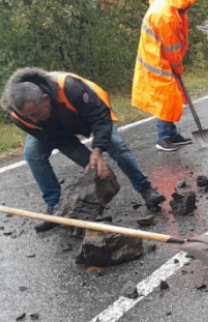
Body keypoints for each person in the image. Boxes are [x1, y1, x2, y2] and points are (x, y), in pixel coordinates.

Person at [1, 68, 166, 232]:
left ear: (46, 99)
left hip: (86, 116)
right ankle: (56, 209)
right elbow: (63, 142)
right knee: (32, 153)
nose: (33, 119)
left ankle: (145, 189)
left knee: (115, 145)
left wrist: (98, 150)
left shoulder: (70, 88)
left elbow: (100, 118)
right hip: (55, 130)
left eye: (35, 113)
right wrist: (91, 163)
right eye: (28, 116)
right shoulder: (20, 116)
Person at [132, 0, 197, 152]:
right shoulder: (165, 16)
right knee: (166, 98)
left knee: (170, 96)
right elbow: (171, 48)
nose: (189, 7)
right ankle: (163, 138)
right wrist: (178, 67)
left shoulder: (170, 6)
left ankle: (171, 134)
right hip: (156, 59)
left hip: (158, 55)